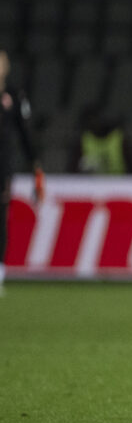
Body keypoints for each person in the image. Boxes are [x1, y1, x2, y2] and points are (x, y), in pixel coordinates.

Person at [0, 50, 45, 294]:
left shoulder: (15, 96)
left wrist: (35, 165)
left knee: (0, 220)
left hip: (2, 168)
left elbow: (26, 134)